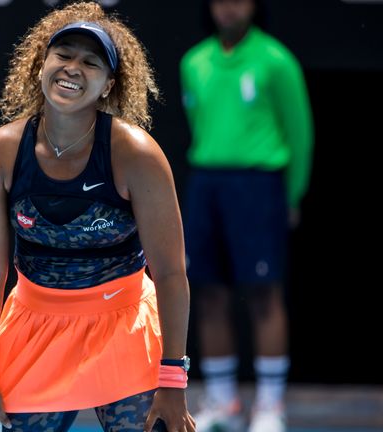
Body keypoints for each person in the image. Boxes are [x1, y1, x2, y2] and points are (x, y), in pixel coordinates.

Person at [0, 2, 196, 431]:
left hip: (125, 326)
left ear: (108, 86)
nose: (73, 68)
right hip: (33, 331)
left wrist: (172, 378)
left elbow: (170, 274)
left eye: (90, 63)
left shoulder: (136, 155)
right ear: (40, 66)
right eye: (63, 55)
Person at [179, 1, 313, 431]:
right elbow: (200, 123)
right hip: (207, 183)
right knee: (209, 293)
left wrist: (290, 195)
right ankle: (223, 404)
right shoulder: (193, 62)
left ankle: (270, 407)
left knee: (264, 293)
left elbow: (300, 134)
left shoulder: (276, 60)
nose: (228, 7)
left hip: (259, 186)